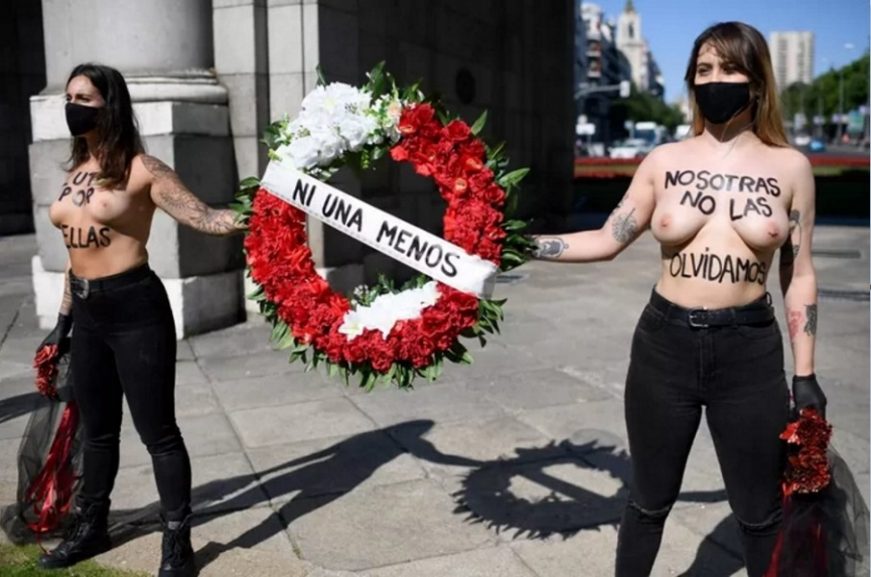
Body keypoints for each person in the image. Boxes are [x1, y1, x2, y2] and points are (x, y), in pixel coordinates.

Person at [531, 22, 826, 577]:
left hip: (749, 352)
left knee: (759, 513)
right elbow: (606, 239)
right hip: (663, 347)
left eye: (730, 69)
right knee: (648, 501)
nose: (716, 81)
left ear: (757, 80)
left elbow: (800, 272)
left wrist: (805, 373)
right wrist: (520, 247)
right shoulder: (663, 161)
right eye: (705, 69)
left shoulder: (791, 168)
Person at [36, 63, 244, 576]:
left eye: (83, 96)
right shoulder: (73, 175)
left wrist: (269, 207)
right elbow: (73, 253)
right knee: (98, 431)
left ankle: (177, 540)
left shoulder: (143, 169)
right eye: (69, 96)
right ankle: (91, 526)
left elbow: (207, 219)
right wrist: (62, 324)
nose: (72, 105)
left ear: (111, 105)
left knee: (158, 432)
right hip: (86, 312)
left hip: (135, 310)